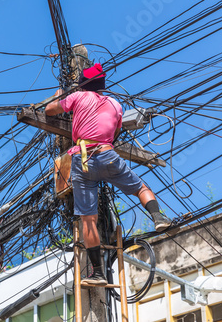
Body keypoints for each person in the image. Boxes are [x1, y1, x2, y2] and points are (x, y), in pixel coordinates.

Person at [45, 63, 174, 286]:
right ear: (102, 85)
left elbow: (49, 111)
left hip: (83, 160)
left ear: (83, 85)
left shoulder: (77, 97)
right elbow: (114, 133)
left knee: (88, 219)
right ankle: (158, 218)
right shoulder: (116, 105)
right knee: (141, 188)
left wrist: (57, 97)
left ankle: (97, 273)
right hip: (108, 155)